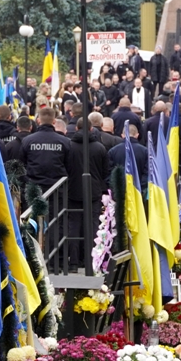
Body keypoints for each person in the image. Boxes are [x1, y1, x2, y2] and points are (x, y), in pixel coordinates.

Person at [65, 115, 109, 270]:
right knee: (92, 226)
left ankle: (74, 262)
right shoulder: (100, 148)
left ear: (76, 128)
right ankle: (91, 260)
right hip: (94, 192)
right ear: (91, 129)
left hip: (73, 191)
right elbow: (105, 171)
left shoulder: (69, 146)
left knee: (73, 227)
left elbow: (66, 168)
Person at [19, 107, 72, 190]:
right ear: (54, 121)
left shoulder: (27, 141)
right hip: (57, 189)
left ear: (38, 120)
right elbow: (69, 166)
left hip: (33, 190)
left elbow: (22, 165)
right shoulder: (65, 142)